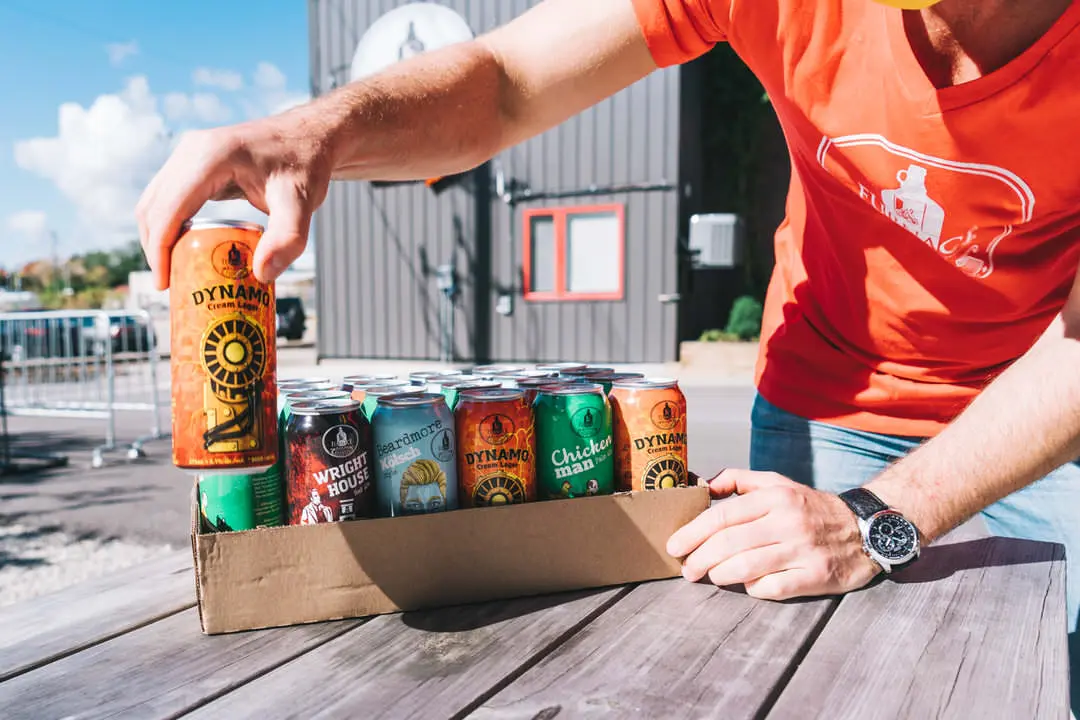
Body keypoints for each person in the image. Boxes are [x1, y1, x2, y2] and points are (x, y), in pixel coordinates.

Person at [137, 0, 1080, 707]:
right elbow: (507, 80)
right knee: (799, 689)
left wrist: (883, 516)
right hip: (821, 402)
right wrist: (320, 131)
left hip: (1037, 426)